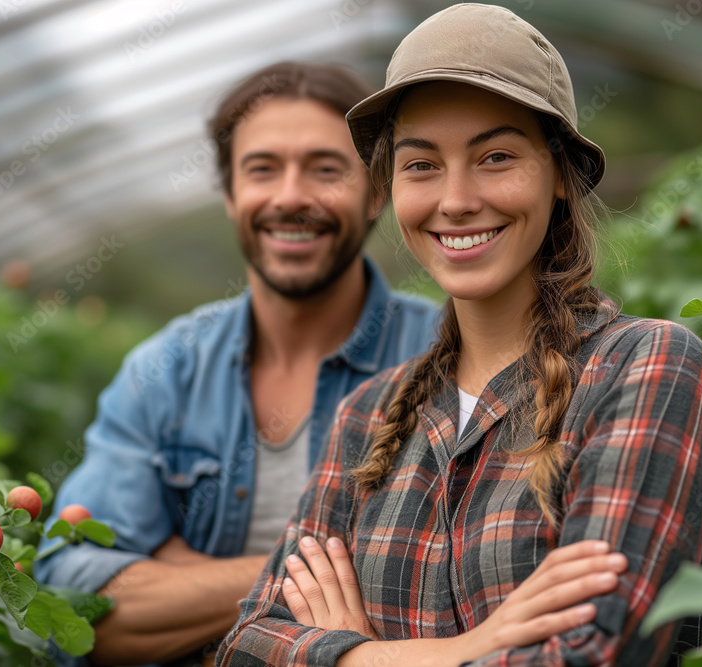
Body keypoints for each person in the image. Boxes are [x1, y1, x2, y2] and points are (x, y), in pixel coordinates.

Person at [217, 5, 702, 666]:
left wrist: (350, 653)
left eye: (495, 156)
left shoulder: (647, 368)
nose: (457, 198)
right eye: (422, 165)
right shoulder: (369, 416)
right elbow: (244, 645)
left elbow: (588, 655)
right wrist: (470, 648)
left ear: (560, 174)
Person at [34, 62, 446, 667]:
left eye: (325, 169)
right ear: (230, 194)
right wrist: (332, 574)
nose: (289, 197)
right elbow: (71, 603)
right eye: (262, 169)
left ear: (375, 192)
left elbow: (467, 592)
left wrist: (178, 572)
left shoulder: (447, 354)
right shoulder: (166, 371)